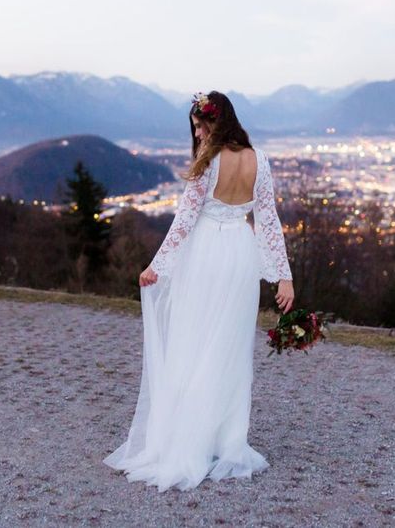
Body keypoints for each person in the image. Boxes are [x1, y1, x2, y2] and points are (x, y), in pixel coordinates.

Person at [103, 90, 294, 492]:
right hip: (240, 256)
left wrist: (157, 266)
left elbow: (185, 220)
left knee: (193, 341)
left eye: (199, 125)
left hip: (206, 253)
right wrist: (284, 277)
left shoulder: (209, 163)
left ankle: (190, 439)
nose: (197, 133)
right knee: (229, 345)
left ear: (214, 122)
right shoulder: (260, 160)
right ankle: (226, 441)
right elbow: (269, 220)